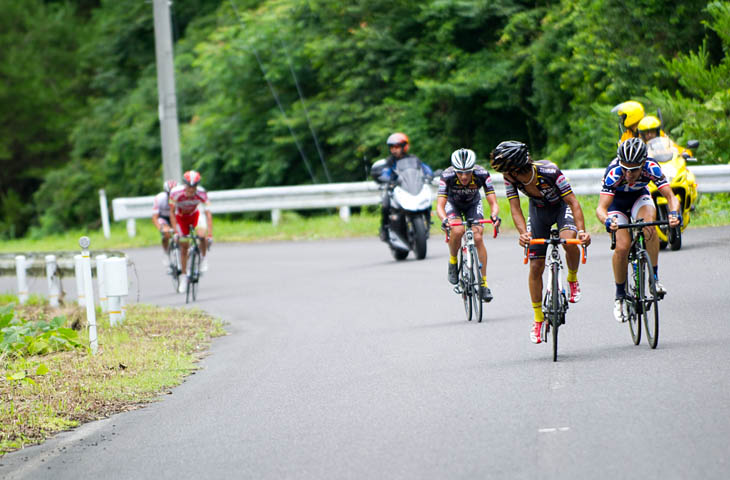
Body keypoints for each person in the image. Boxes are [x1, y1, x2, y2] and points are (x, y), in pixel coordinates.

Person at [489, 141, 590, 344]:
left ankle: (572, 278)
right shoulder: (510, 179)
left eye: (505, 170)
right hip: (538, 212)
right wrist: (523, 233)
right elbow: (515, 208)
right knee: (535, 266)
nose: (504, 175)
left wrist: (582, 231)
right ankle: (538, 319)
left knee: (569, 242)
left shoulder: (550, 171)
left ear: (516, 169)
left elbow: (573, 202)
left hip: (561, 207)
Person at [595, 137, 680, 322]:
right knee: (622, 246)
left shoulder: (652, 167)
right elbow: (601, 208)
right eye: (625, 168)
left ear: (643, 163)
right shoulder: (613, 173)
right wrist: (607, 221)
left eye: (633, 170)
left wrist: (674, 214)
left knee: (649, 226)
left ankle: (654, 279)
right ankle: (619, 296)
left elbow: (671, 196)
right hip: (616, 204)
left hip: (639, 198)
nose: (628, 174)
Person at [437, 148, 501, 302]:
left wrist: (494, 216)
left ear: (473, 169)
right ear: (454, 170)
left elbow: (493, 201)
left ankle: (484, 284)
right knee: (458, 230)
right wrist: (445, 219)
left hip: (473, 203)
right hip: (453, 204)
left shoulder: (482, 174)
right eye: (460, 172)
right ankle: (453, 262)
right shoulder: (447, 176)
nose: (464, 176)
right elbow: (440, 205)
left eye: (468, 172)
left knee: (477, 237)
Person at [378, 132, 434, 241]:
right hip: (396, 189)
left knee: (427, 200)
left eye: (397, 147)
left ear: (405, 147)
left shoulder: (414, 159)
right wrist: (386, 179)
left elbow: (425, 169)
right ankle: (384, 229)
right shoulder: (390, 162)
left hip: (411, 188)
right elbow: (385, 173)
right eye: (392, 147)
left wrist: (429, 175)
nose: (394, 150)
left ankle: (427, 222)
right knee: (385, 204)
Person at [169, 170, 213, 293]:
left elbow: (208, 214)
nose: (191, 190)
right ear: (184, 185)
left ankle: (203, 259)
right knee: (184, 246)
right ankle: (183, 277)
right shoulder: (175, 193)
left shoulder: (202, 193)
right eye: (189, 186)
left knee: (202, 236)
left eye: (194, 187)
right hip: (181, 217)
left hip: (195, 214)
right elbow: (171, 213)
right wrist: (175, 232)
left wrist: (210, 234)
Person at [152, 179, 177, 267]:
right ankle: (166, 253)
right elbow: (155, 217)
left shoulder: (180, 198)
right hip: (164, 218)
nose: (172, 196)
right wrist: (161, 228)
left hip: (175, 217)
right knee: (166, 233)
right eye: (169, 194)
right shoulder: (159, 198)